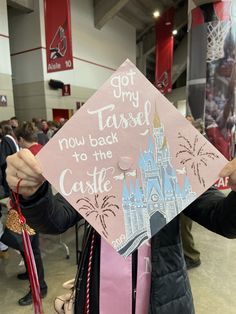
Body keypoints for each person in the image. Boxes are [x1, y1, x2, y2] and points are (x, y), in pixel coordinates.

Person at [5, 149, 236, 314]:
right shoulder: (95, 168)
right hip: (98, 292)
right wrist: (33, 193)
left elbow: (222, 219)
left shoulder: (173, 165)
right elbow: (56, 218)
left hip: (165, 294)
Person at [12, 122, 48, 305]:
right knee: (30, 249)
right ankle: (32, 277)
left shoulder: (26, 157)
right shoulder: (42, 149)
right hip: (38, 209)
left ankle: (38, 288)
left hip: (27, 210)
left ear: (20, 139)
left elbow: (21, 188)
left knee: (31, 250)